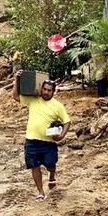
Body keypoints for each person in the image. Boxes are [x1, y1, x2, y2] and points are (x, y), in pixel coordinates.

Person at [12, 72, 71, 201]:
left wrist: (61, 136)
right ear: (41, 89)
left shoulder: (58, 106)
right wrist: (17, 79)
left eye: (49, 90)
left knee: (50, 164)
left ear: (53, 92)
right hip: (31, 140)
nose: (46, 92)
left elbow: (67, 122)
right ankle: (40, 192)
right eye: (44, 89)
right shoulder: (33, 99)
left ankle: (51, 175)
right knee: (34, 165)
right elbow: (15, 96)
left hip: (48, 142)